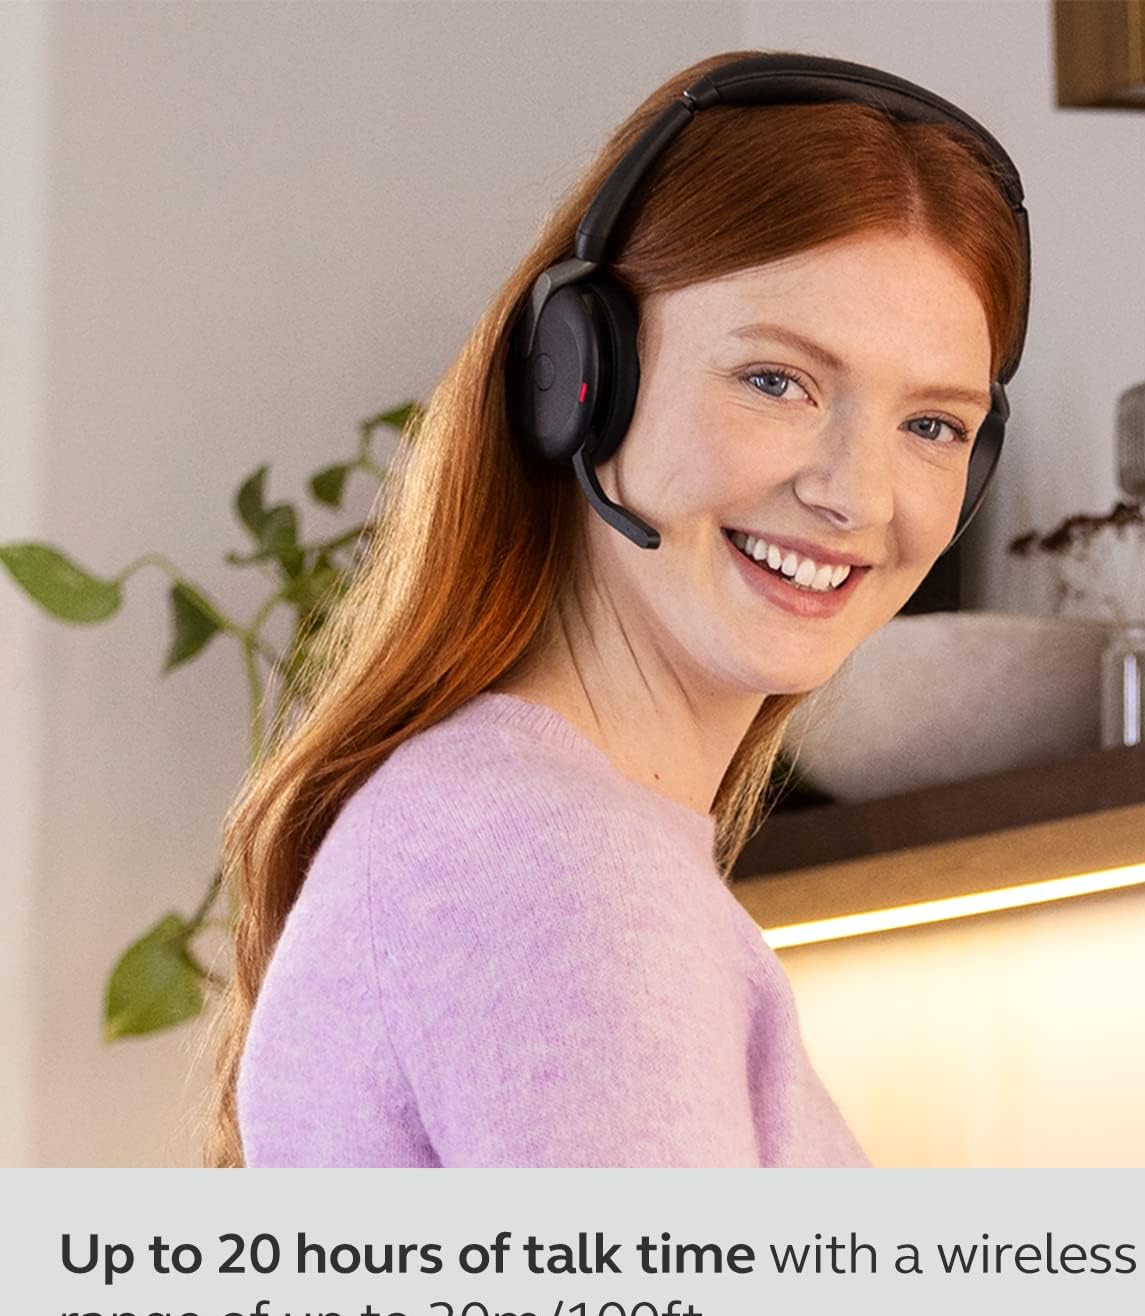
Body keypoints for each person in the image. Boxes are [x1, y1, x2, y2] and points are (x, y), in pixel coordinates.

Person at [204, 49, 1030, 1167]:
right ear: (578, 377)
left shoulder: (512, 828)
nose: (855, 495)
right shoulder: (563, 871)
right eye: (776, 381)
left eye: (931, 425)